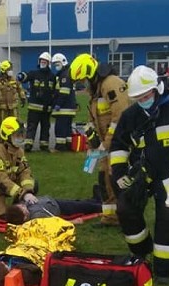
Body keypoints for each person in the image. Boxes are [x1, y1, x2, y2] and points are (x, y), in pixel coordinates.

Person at [109, 65, 169, 283]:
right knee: (125, 208)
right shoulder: (130, 116)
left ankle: (163, 270)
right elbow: (118, 146)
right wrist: (120, 174)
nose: (142, 100)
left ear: (156, 89)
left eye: (146, 96)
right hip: (139, 173)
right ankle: (140, 251)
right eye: (137, 98)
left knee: (168, 219)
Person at [70, 53, 132, 226]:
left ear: (90, 73)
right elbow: (94, 120)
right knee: (104, 180)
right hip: (107, 145)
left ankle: (127, 216)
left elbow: (120, 117)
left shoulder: (110, 84)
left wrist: (106, 143)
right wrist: (93, 145)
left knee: (118, 180)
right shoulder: (96, 89)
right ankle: (111, 217)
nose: (83, 84)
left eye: (83, 80)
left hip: (121, 142)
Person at [0, 117, 37, 221]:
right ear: (7, 136)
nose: (21, 137)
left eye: (22, 134)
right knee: (4, 218)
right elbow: (1, 180)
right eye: (17, 135)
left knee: (33, 184)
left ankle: (19, 205)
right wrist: (22, 194)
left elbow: (25, 171)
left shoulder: (19, 151)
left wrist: (28, 191)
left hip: (5, 186)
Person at [23, 52, 57, 152]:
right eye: (41, 61)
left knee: (45, 127)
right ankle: (28, 144)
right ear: (39, 62)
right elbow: (26, 77)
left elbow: (54, 91)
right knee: (31, 126)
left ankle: (44, 145)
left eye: (45, 61)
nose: (43, 63)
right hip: (34, 107)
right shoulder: (34, 73)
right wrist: (22, 76)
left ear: (48, 63)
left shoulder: (52, 76)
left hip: (47, 108)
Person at [0, 61, 25, 143]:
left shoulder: (14, 79)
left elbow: (20, 89)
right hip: (1, 108)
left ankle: (15, 139)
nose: (11, 71)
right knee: (1, 123)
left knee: (15, 123)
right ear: (4, 70)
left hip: (13, 107)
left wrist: (23, 97)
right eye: (9, 69)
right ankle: (1, 140)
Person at [2, 195, 101, 225]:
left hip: (53, 201)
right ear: (24, 217)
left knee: (77, 203)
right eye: (22, 209)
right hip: (59, 207)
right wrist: (73, 222)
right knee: (81, 206)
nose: (23, 206)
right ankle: (101, 207)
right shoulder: (38, 218)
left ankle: (95, 200)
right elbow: (55, 224)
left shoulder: (25, 206)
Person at [50, 53, 77, 152]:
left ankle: (60, 147)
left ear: (63, 62)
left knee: (60, 128)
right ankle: (68, 145)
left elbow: (64, 91)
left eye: (57, 64)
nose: (56, 66)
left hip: (63, 108)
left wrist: (58, 104)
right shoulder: (67, 74)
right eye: (55, 64)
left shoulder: (64, 75)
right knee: (67, 128)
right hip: (69, 108)